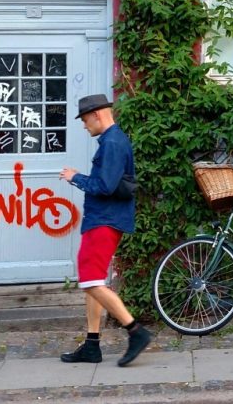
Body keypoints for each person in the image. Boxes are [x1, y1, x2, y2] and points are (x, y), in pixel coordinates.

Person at [58, 93, 151, 367]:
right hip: (103, 219)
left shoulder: (111, 142)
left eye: (85, 120)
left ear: (97, 115)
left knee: (90, 281)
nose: (85, 126)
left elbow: (105, 186)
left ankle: (135, 331)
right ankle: (91, 345)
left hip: (104, 220)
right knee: (93, 282)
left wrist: (75, 177)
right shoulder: (113, 140)